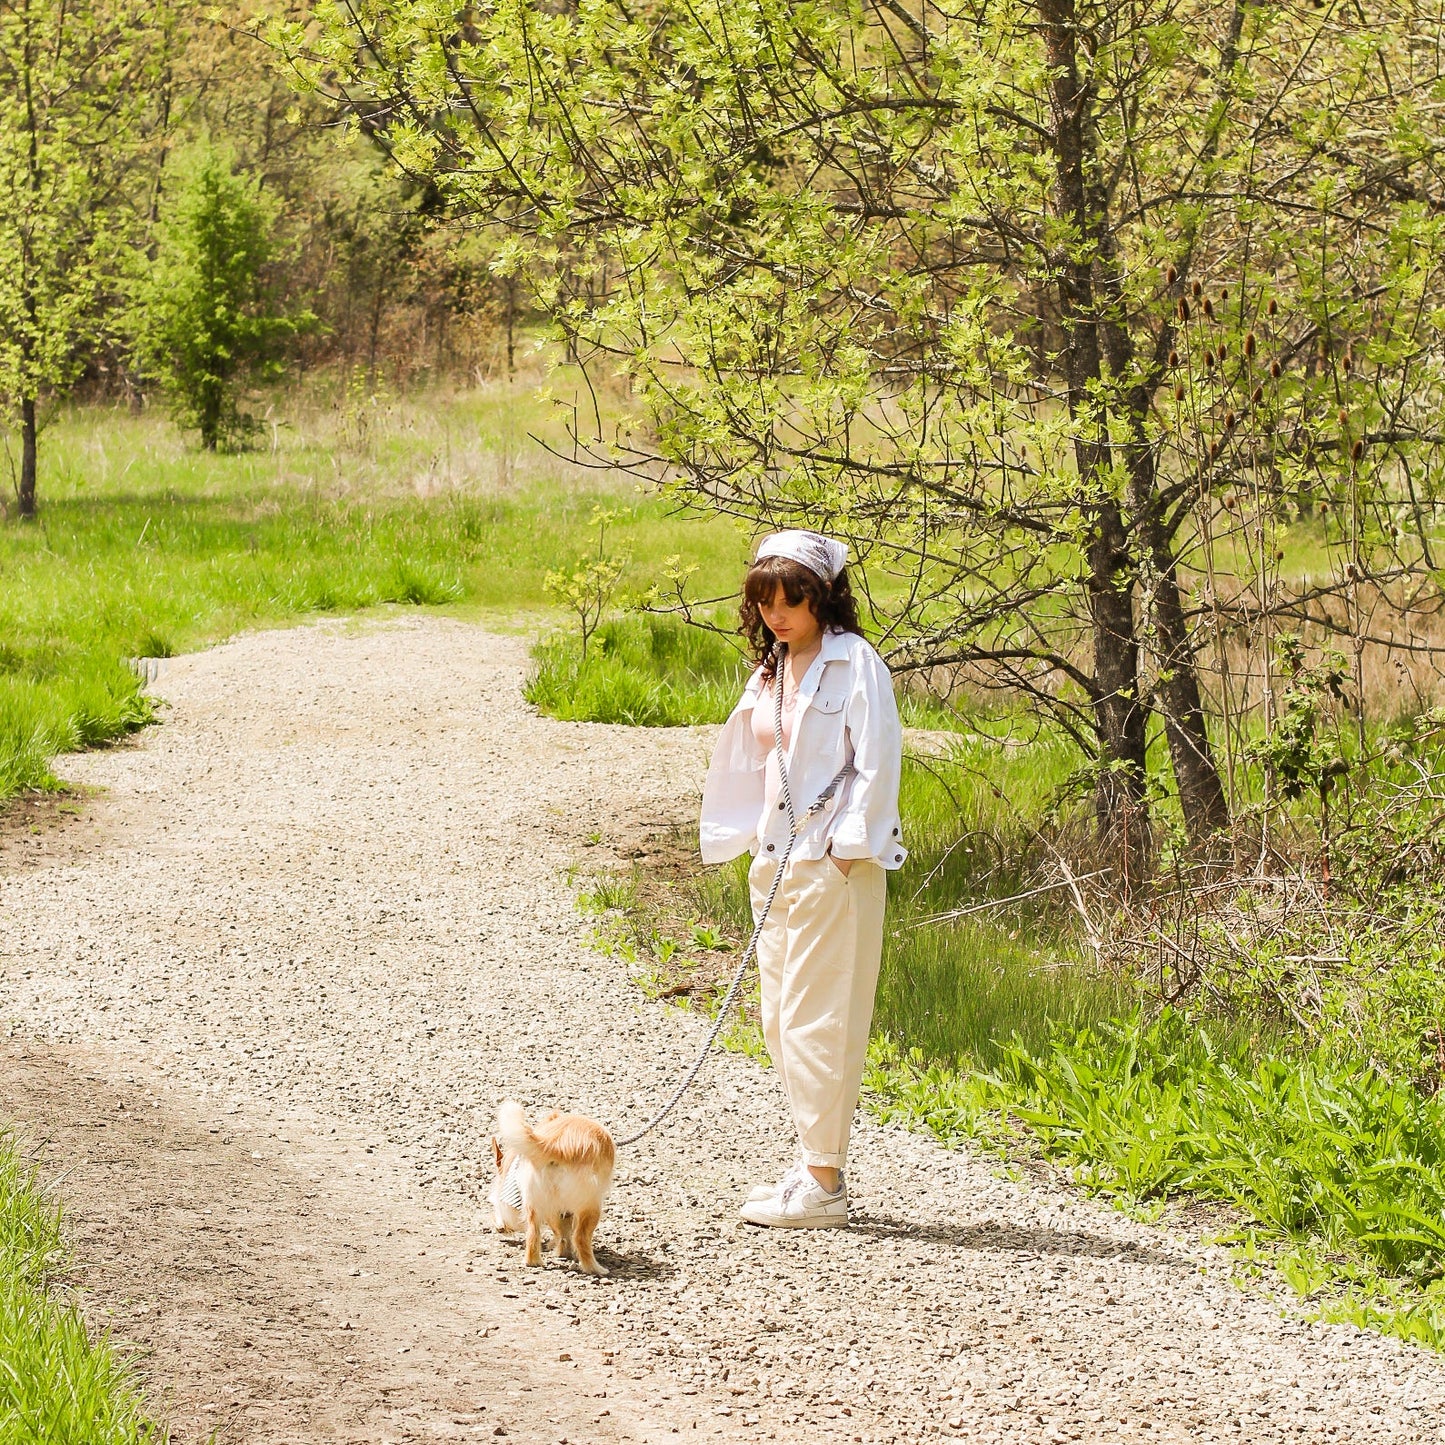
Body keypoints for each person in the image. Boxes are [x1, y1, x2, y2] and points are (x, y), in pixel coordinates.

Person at [699, 529, 905, 1228]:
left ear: (823, 596)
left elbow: (877, 761)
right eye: (765, 601)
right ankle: (813, 1160)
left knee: (818, 1019)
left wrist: (845, 851)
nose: (777, 613)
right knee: (776, 1021)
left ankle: (824, 1181)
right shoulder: (773, 668)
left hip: (828, 864)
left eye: (792, 599)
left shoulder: (854, 664)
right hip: (774, 861)